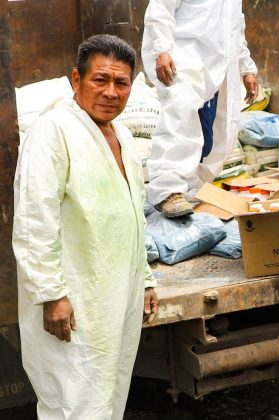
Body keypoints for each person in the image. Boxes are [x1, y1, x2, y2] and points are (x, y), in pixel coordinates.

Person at [12, 34, 159, 420]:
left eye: (121, 83)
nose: (112, 92)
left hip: (114, 296)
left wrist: (144, 279)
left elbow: (133, 217)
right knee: (72, 402)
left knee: (108, 396)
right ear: (76, 80)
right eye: (101, 80)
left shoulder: (123, 136)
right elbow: (33, 220)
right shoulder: (53, 131)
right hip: (73, 299)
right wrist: (50, 293)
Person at [142, 0, 259, 217]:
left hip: (219, 65)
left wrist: (247, 69)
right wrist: (162, 49)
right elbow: (160, 9)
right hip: (184, 57)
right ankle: (167, 190)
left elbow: (236, 28)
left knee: (213, 132)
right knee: (180, 117)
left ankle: (190, 190)